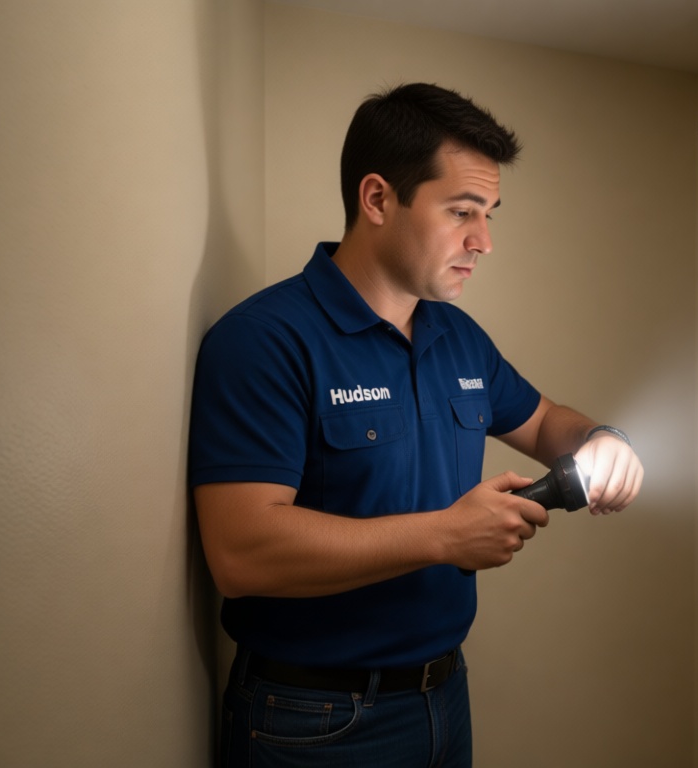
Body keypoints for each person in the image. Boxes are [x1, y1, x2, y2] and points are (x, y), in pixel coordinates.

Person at [188, 82, 643, 767]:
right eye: (462, 212)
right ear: (377, 199)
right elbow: (241, 552)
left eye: (488, 215)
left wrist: (604, 441)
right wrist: (445, 534)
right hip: (313, 721)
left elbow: (547, 420)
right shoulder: (265, 340)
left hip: (444, 696)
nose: (483, 241)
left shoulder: (458, 338)